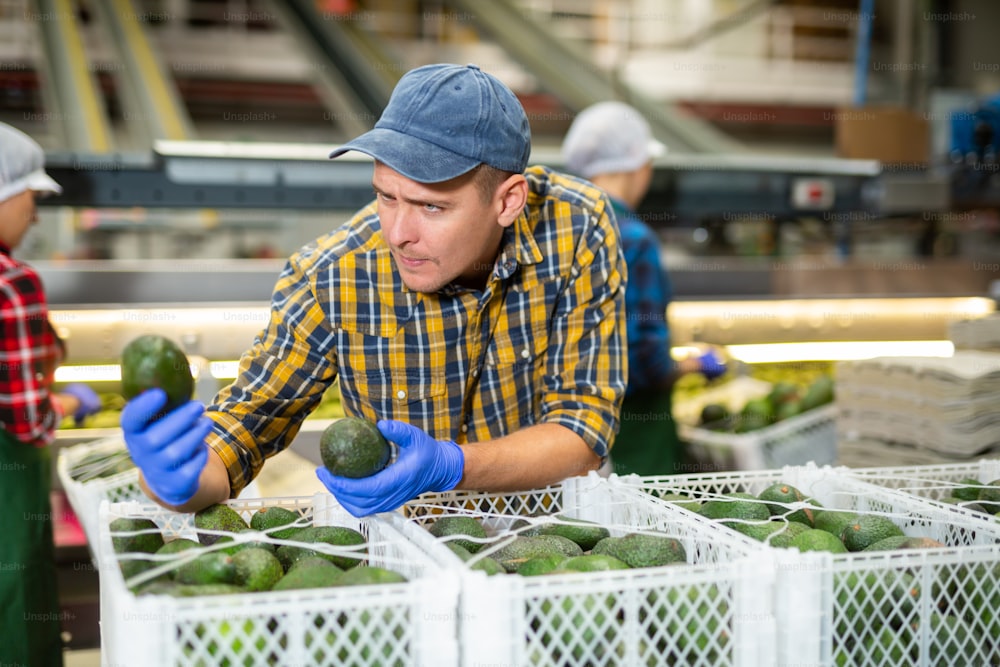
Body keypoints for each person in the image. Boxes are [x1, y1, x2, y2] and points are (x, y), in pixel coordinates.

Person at [121, 63, 627, 517]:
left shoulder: (576, 227)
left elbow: (585, 428)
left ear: (508, 201)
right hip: (404, 559)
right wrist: (171, 479)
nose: (398, 232)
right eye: (386, 196)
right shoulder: (330, 276)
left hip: (552, 544)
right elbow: (242, 434)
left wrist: (453, 467)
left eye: (431, 207)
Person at [561, 101, 726, 476]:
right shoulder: (634, 239)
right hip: (635, 428)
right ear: (639, 166)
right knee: (648, 530)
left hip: (570, 428)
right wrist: (695, 363)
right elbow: (642, 363)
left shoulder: (563, 229)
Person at [0, 122, 102, 666]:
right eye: (31, 197)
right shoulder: (12, 284)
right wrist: (68, 403)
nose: (34, 215)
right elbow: (28, 422)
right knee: (16, 606)